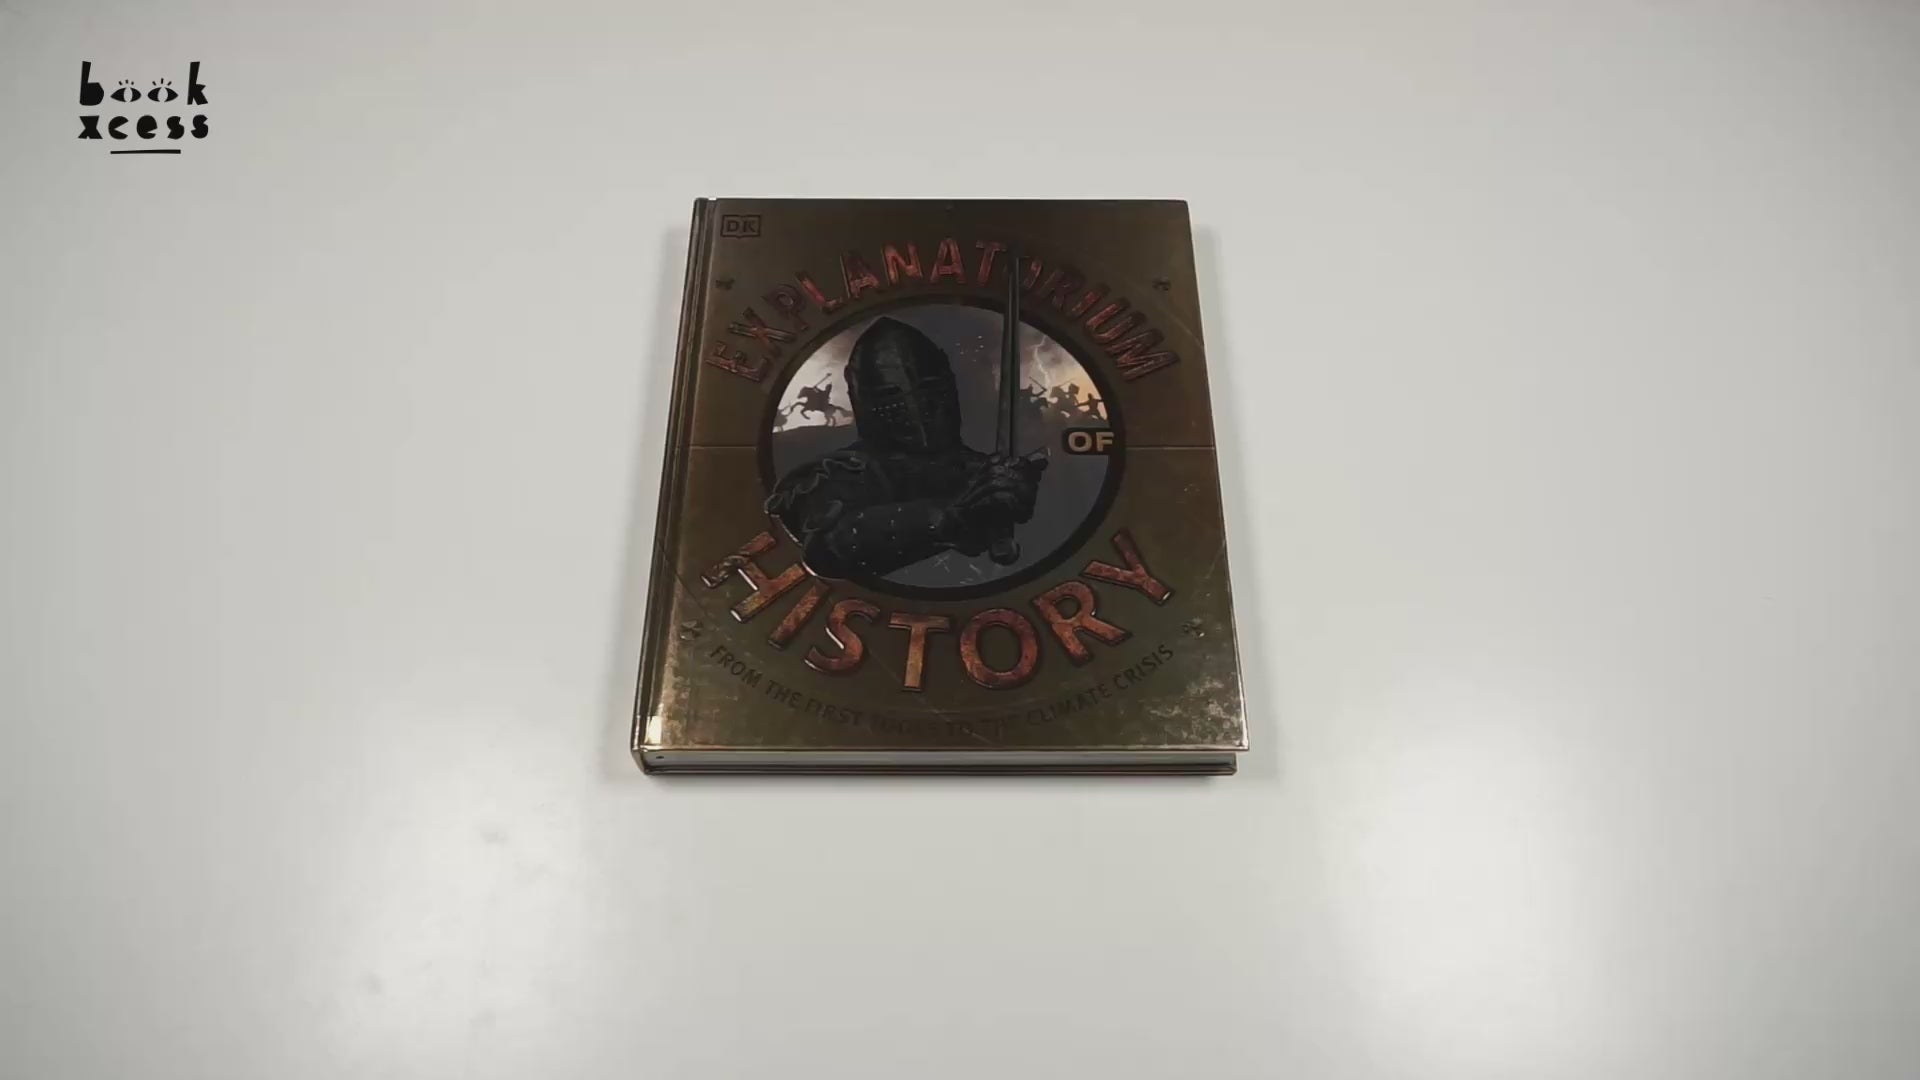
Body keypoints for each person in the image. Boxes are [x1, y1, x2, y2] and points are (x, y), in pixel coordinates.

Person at [766, 318, 1045, 578]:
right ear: (863, 399)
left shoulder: (984, 471)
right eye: (891, 398)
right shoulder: (842, 472)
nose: (916, 408)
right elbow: (830, 545)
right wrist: (948, 517)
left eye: (930, 390)